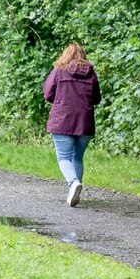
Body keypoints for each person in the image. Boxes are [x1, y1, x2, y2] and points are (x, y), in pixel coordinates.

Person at [43, 43, 100, 206]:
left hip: (62, 120)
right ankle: (74, 193)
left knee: (64, 157)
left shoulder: (59, 70)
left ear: (65, 55)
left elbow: (48, 93)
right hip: (84, 121)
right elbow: (96, 98)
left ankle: (73, 183)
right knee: (77, 157)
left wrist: (60, 101)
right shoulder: (91, 73)